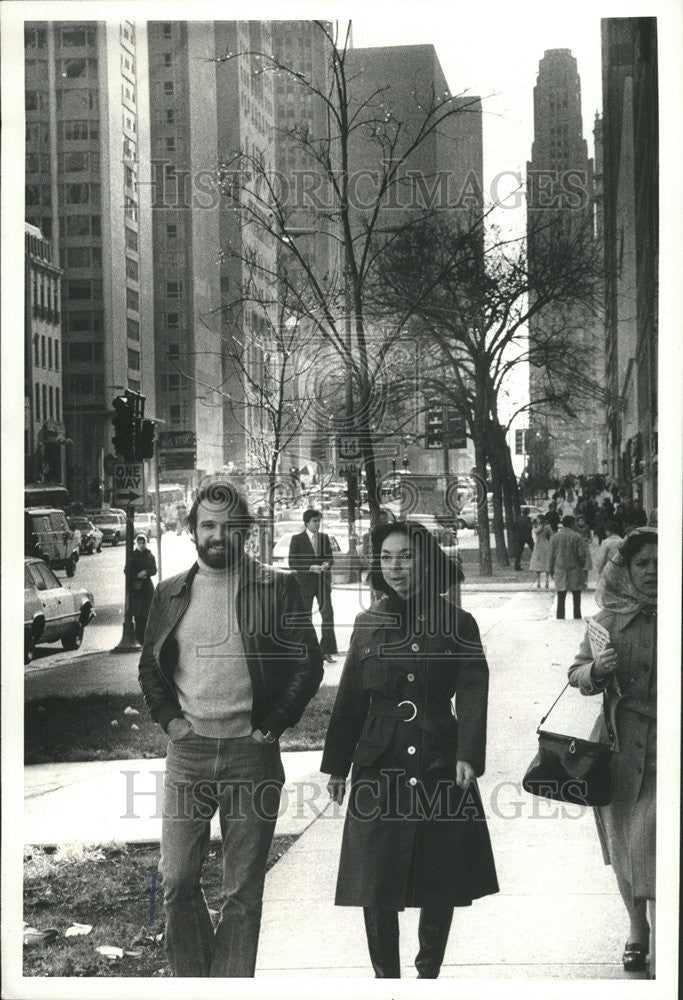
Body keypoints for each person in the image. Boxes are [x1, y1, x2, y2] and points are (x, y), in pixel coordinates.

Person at [138, 481, 323, 977]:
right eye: (208, 525)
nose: (218, 535)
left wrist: (272, 727)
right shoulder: (169, 593)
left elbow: (308, 664)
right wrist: (171, 724)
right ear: (192, 530)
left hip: (252, 755)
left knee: (242, 894)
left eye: (229, 526)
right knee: (176, 883)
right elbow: (149, 669)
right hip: (189, 754)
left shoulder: (277, 587)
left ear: (246, 531)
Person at [321, 520, 499, 979]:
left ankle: (428, 976)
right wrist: (337, 767)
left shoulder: (457, 622)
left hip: (440, 761)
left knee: (439, 876)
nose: (396, 567)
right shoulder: (367, 623)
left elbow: (473, 687)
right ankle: (387, 981)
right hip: (380, 766)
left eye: (406, 556)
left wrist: (467, 753)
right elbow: (351, 699)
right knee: (375, 881)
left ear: (426, 559)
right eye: (386, 557)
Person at [568, 529, 657, 977]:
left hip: (666, 749)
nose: (653, 572)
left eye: (661, 563)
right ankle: (637, 929)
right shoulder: (605, 619)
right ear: (625, 568)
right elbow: (576, 673)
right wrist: (595, 671)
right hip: (619, 747)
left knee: (654, 838)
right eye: (642, 564)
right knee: (625, 844)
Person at [288, 508, 338, 662]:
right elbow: (292, 563)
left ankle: (326, 651)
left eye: (319, 521)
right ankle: (308, 651)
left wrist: (326, 564)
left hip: (322, 583)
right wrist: (310, 568)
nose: (318, 524)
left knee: (328, 615)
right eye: (315, 521)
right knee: (305, 617)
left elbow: (330, 558)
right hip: (305, 584)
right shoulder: (297, 539)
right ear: (306, 523)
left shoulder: (324, 538)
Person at [549, 515, 589, 619]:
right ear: (572, 523)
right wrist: (581, 564)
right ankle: (577, 616)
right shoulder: (577, 536)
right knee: (576, 595)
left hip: (559, 568)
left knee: (561, 597)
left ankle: (560, 617)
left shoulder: (554, 537)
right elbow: (582, 554)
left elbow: (551, 555)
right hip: (575, 568)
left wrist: (550, 569)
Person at [125, 533, 157, 644]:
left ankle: (146, 638)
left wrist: (146, 572)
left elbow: (154, 570)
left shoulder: (149, 555)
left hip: (147, 586)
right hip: (137, 587)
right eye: (139, 543)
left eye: (143, 543)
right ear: (136, 543)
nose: (142, 545)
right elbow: (127, 571)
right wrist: (136, 575)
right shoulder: (133, 556)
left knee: (148, 612)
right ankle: (139, 636)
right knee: (138, 613)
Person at [528, 514, 552, 588]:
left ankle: (547, 581)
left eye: (538, 518)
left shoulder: (547, 526)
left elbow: (551, 534)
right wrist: (542, 525)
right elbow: (536, 531)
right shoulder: (536, 525)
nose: (537, 520)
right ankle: (538, 581)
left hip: (545, 544)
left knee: (546, 562)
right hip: (538, 545)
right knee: (538, 563)